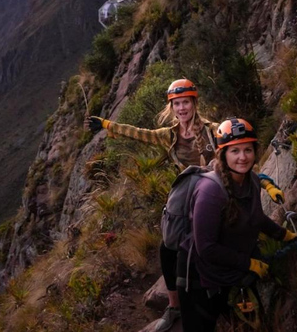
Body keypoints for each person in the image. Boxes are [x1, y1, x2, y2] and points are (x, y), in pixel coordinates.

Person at [86, 79, 284, 332]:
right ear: (172, 107)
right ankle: (174, 306)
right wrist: (105, 124)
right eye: (177, 103)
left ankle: (215, 299)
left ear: (194, 103)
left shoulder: (214, 130)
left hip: (220, 197)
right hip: (192, 199)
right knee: (167, 249)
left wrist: (266, 184)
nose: (182, 108)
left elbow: (243, 159)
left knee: (198, 248)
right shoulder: (169, 135)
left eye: (186, 102)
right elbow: (138, 133)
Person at [176, 118, 297, 332]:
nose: (243, 157)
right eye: (235, 151)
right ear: (223, 154)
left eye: (248, 150)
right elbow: (206, 248)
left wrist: (283, 235)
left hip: (234, 269)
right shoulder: (210, 192)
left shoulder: (251, 179)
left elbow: (255, 218)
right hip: (203, 279)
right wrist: (248, 263)